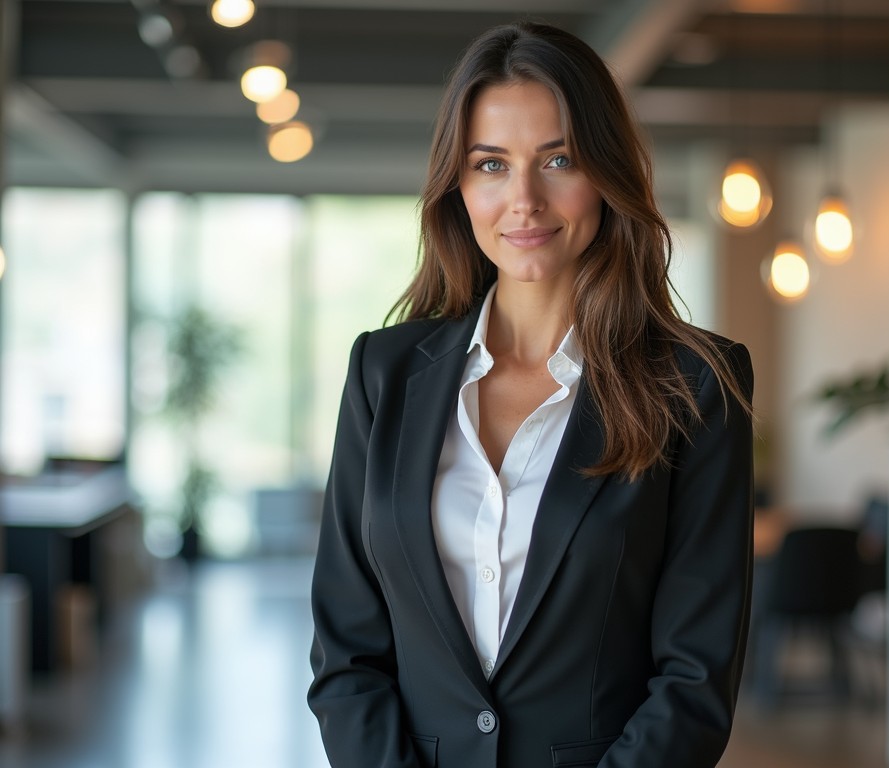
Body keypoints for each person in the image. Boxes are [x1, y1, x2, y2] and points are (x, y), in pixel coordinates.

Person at [308, 21, 755, 768]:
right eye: (491, 164)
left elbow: (696, 679)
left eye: (558, 159)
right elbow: (347, 655)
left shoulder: (695, 383)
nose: (524, 199)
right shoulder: (381, 375)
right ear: (458, 183)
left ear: (607, 174)